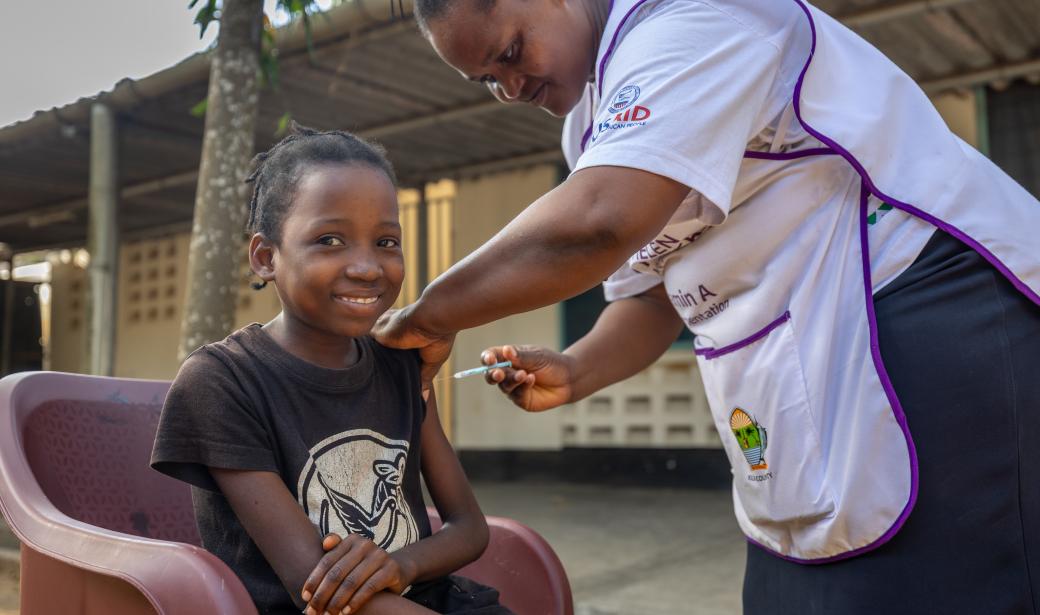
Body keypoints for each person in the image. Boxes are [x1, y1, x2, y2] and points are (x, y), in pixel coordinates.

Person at [371, 0, 1040, 612]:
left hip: (930, 312)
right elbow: (657, 293)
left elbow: (599, 222)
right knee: (801, 582)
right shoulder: (590, 126)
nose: (510, 90)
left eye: (511, 53)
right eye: (486, 79)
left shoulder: (695, 18)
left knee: (942, 582)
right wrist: (574, 370)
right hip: (794, 386)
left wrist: (427, 314)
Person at [151, 125, 512, 615]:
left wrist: (400, 566)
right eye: (330, 239)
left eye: (386, 242)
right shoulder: (223, 380)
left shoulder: (400, 362)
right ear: (265, 257)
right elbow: (317, 590)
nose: (367, 267)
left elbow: (468, 527)